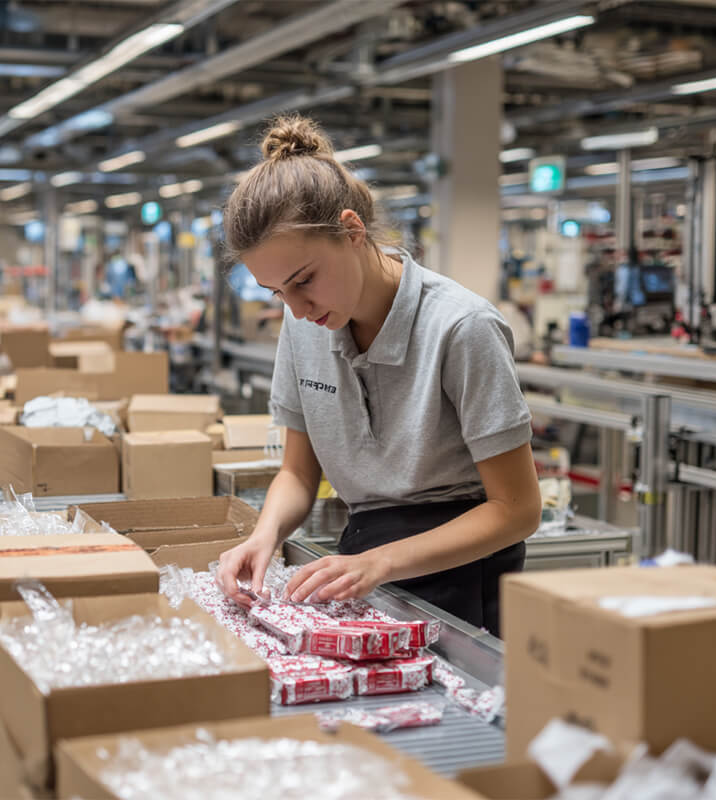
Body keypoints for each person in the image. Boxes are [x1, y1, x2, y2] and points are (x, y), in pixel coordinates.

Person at [216, 115, 541, 636]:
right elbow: (299, 474)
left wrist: (382, 563)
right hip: (364, 563)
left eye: (304, 281)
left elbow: (518, 509)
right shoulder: (304, 329)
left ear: (352, 230)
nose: (298, 309)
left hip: (463, 575)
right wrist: (264, 537)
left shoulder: (461, 327)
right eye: (279, 293)